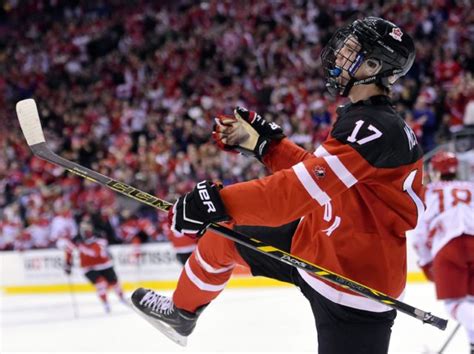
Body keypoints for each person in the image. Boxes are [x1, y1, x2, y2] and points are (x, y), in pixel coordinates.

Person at [131, 17, 423, 354]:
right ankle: (181, 313)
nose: (339, 53)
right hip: (319, 243)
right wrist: (267, 147)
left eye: (351, 50)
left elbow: (294, 194)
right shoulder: (363, 118)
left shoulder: (373, 128)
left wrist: (218, 201)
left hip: (356, 284)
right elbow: (320, 177)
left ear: (373, 65)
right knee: (221, 238)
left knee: (223, 222)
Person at [410, 151, 474, 354]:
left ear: (436, 171)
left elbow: (420, 235)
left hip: (448, 248)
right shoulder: (471, 188)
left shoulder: (429, 192)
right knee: (470, 301)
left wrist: (425, 262)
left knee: (454, 305)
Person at [60, 215, 127, 313]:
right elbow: (69, 250)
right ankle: (105, 303)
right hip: (88, 267)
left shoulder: (99, 235)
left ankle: (122, 298)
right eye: (83, 228)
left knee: (114, 283)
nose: (86, 230)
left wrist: (82, 247)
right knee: (100, 283)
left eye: (87, 227)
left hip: (104, 264)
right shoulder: (77, 239)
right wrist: (68, 264)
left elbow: (96, 253)